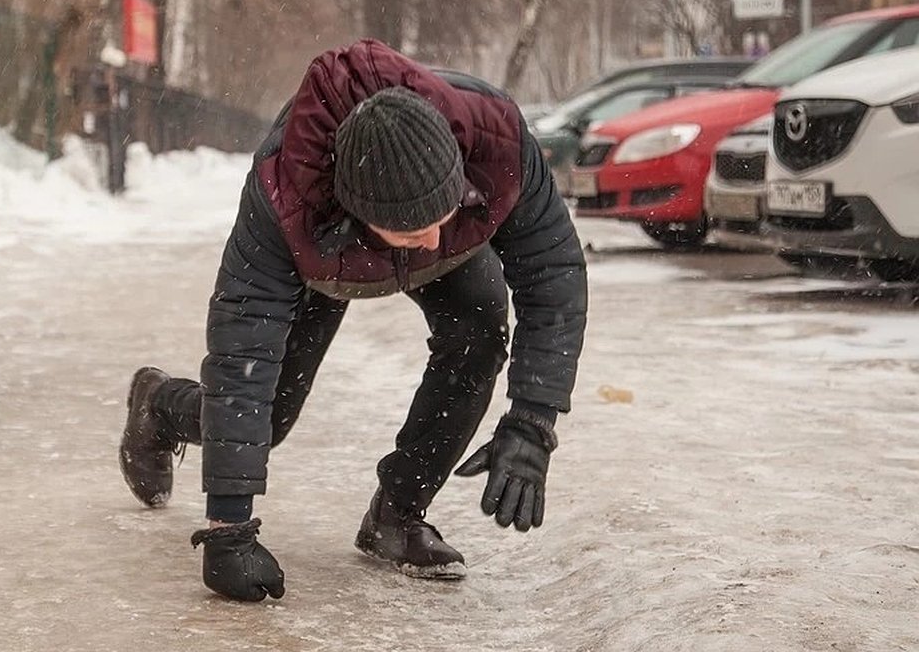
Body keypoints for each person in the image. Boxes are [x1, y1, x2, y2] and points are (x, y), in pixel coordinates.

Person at [120, 39, 587, 602]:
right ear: (365, 213)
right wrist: (228, 527)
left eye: (442, 215)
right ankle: (159, 405)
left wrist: (533, 422)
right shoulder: (285, 198)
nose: (432, 241)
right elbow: (245, 345)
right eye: (416, 232)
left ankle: (398, 514)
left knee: (480, 331)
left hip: (450, 219)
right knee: (267, 419)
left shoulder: (496, 141)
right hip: (325, 257)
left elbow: (552, 273)